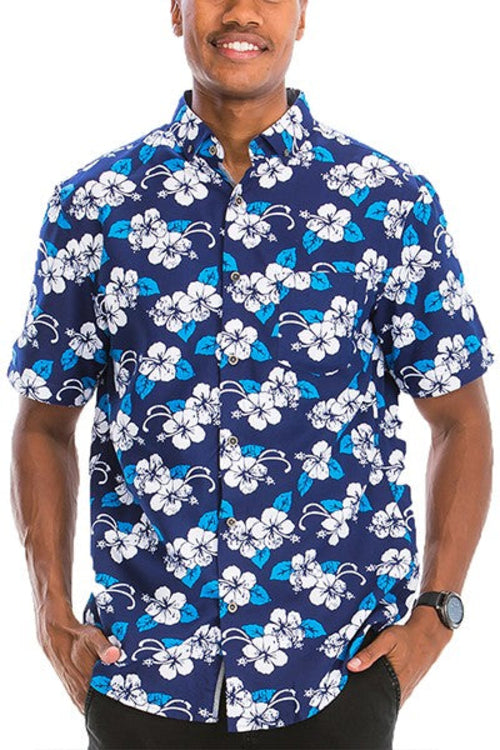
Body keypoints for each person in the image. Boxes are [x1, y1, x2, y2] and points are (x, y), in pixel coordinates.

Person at [6, 1, 495, 749]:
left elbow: (460, 417)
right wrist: (49, 613)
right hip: (143, 673)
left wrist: (437, 615)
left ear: (303, 14)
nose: (242, 11)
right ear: (176, 10)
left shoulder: (390, 204)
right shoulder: (93, 206)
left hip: (336, 672)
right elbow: (44, 422)